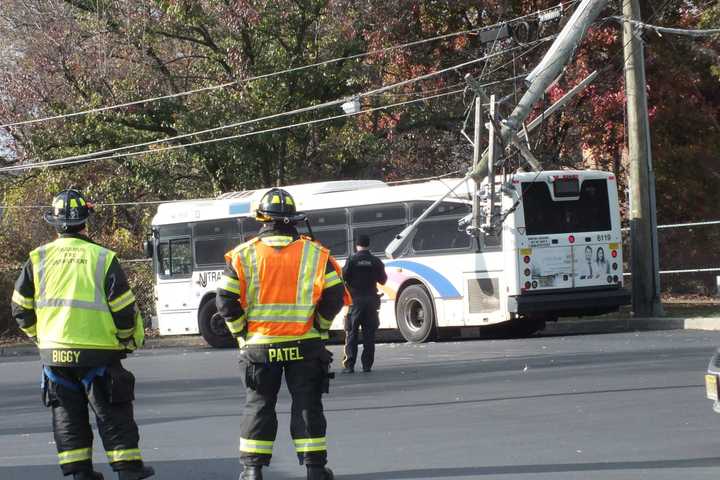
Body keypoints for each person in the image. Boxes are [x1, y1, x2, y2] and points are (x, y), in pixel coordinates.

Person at [11, 189, 154, 480]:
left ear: (54, 222)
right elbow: (124, 309)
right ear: (85, 220)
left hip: (55, 355)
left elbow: (20, 308)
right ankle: (127, 470)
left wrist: (40, 338)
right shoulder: (102, 258)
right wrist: (125, 339)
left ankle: (80, 473)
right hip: (98, 353)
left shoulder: (37, 259)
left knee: (67, 417)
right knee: (112, 414)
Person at [216, 188, 348, 480]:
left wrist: (242, 335)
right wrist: (320, 327)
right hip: (305, 345)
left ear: (262, 219)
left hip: (259, 347)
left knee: (259, 405)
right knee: (307, 404)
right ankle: (315, 469)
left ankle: (252, 471)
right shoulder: (316, 253)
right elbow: (335, 296)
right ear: (293, 220)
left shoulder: (242, 255)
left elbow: (224, 300)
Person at [341, 234, 387, 374]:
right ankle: (367, 365)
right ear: (369, 245)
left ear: (357, 245)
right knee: (369, 335)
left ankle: (349, 365)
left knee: (351, 333)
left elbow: (343, 277)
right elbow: (383, 280)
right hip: (371, 302)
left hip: (354, 302)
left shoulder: (352, 260)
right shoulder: (375, 261)